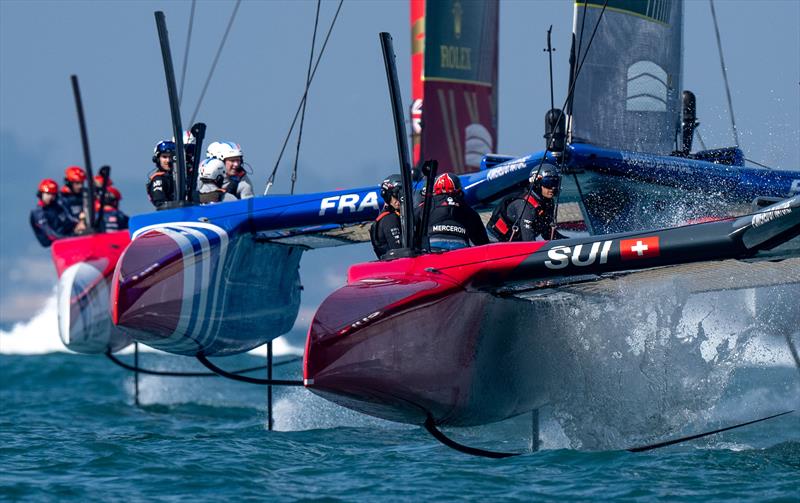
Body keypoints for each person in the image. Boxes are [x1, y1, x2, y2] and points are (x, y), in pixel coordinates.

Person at [488, 163, 566, 241]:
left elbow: (547, 233)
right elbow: (529, 241)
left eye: (556, 183)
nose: (553, 187)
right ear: (537, 183)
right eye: (548, 183)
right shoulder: (526, 205)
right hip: (494, 240)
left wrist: (571, 242)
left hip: (514, 241)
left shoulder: (547, 203)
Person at [425, 173, 489, 251]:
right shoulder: (467, 209)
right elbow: (482, 242)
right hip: (459, 248)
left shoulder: (426, 206)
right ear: (459, 190)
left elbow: (413, 226)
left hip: (433, 247)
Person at [30, 179, 78, 247]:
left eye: (53, 194)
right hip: (55, 244)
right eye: (48, 194)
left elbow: (69, 219)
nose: (50, 197)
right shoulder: (38, 212)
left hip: (67, 237)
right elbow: (49, 233)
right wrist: (68, 238)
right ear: (41, 194)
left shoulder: (57, 206)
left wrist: (79, 224)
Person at [369, 174, 404, 259]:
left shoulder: (391, 216)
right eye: (395, 195)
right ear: (387, 197)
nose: (398, 200)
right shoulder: (390, 219)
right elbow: (399, 250)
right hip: (396, 264)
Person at [147, 139, 177, 209]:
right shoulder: (158, 179)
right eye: (164, 157)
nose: (168, 161)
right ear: (157, 159)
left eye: (170, 157)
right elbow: (160, 203)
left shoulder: (178, 176)